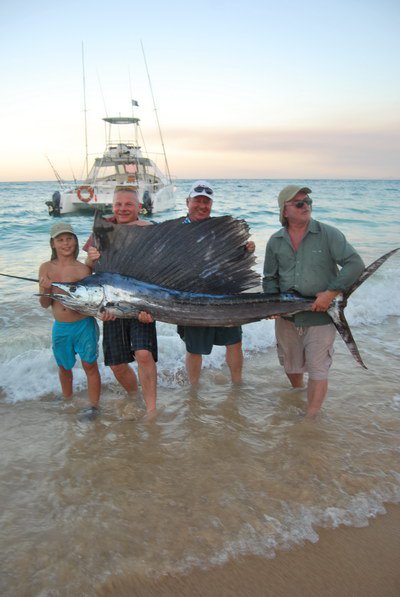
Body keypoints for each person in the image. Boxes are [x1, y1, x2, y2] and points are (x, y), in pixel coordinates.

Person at [263, 184, 365, 418]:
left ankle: (310, 419)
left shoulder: (328, 234)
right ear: (285, 211)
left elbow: (355, 263)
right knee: (291, 366)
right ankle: (298, 392)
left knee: (318, 369)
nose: (306, 206)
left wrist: (331, 293)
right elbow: (270, 278)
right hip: (288, 318)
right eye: (299, 203)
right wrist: (271, 305)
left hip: (321, 317)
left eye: (308, 202)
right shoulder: (275, 241)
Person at [84, 186, 158, 415]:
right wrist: (90, 259)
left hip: (142, 301)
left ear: (138, 207)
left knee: (144, 354)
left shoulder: (150, 229)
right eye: (118, 204)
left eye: (128, 204)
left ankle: (152, 410)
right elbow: (88, 272)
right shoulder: (102, 229)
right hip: (111, 304)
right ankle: (134, 395)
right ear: (112, 205)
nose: (122, 209)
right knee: (116, 364)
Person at [176, 180, 255, 385]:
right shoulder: (175, 230)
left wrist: (247, 251)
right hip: (191, 298)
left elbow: (235, 260)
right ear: (187, 202)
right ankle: (193, 390)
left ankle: (238, 385)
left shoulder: (221, 229)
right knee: (194, 349)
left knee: (234, 342)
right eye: (197, 200)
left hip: (225, 293)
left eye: (207, 202)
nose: (202, 206)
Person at [38, 223, 101, 412]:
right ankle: (68, 400)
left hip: (84, 325)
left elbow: (92, 303)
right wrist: (46, 289)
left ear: (75, 241)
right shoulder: (45, 268)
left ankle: (94, 406)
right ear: (53, 244)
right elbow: (44, 304)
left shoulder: (84, 270)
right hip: (61, 327)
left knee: (90, 365)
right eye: (60, 240)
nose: (65, 243)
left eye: (69, 239)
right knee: (64, 367)